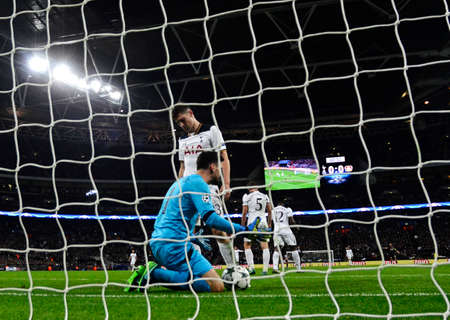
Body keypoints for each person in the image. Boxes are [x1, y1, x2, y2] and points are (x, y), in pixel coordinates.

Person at [124, 152, 260, 293]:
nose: (221, 172)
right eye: (220, 167)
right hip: (175, 246)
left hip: (159, 242)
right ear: (212, 167)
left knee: (195, 277)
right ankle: (155, 274)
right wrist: (242, 229)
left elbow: (175, 217)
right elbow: (211, 219)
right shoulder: (199, 184)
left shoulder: (180, 182)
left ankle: (157, 272)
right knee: (216, 286)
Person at [173, 105, 235, 267]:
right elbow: (182, 167)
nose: (181, 125)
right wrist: (178, 189)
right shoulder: (182, 139)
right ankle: (196, 271)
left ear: (191, 114)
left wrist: (226, 183)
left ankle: (232, 268)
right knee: (188, 233)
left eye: (182, 120)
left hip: (207, 187)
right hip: (186, 191)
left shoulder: (211, 130)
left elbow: (224, 158)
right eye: (178, 123)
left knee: (217, 229)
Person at [241, 185, 272, 275]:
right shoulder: (265, 196)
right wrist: (269, 224)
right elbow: (269, 211)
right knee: (265, 246)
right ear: (257, 188)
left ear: (249, 189)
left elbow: (244, 213)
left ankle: (251, 268)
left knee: (247, 245)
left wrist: (242, 226)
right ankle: (265, 270)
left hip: (252, 222)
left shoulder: (247, 196)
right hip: (263, 222)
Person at [272, 201, 301, 273]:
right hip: (286, 230)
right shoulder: (287, 209)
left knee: (277, 248)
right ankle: (298, 268)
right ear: (283, 204)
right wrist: (296, 226)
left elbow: (271, 220)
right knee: (293, 247)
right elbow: (292, 220)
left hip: (276, 231)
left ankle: (275, 268)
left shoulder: (273, 210)